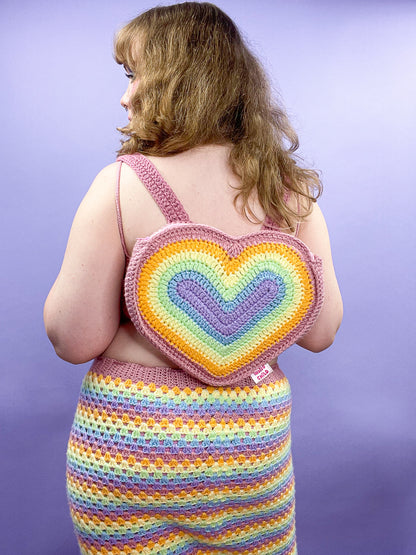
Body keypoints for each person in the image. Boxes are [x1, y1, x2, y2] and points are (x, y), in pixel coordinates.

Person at [44, 3, 342, 554]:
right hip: (253, 465)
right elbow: (321, 332)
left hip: (128, 458)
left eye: (134, 76)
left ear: (178, 82)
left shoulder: (121, 185)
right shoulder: (289, 193)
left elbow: (73, 338)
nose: (124, 95)